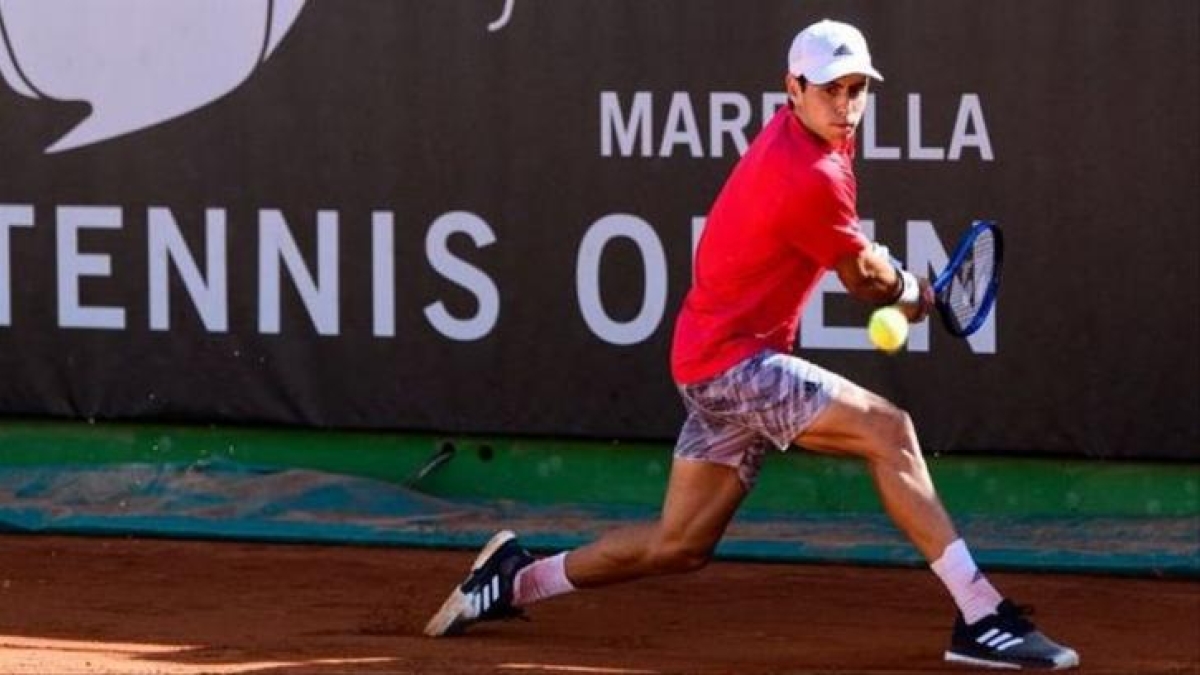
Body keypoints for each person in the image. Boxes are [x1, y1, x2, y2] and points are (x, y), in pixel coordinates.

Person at [425, 18, 1079, 671]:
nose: (846, 105)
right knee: (890, 431)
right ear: (793, 88)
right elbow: (862, 279)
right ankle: (982, 615)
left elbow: (852, 258)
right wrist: (915, 291)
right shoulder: (810, 173)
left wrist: (886, 273)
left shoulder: (809, 138)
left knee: (680, 544)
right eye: (830, 89)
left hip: (709, 356)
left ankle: (514, 580)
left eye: (857, 89)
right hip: (732, 363)